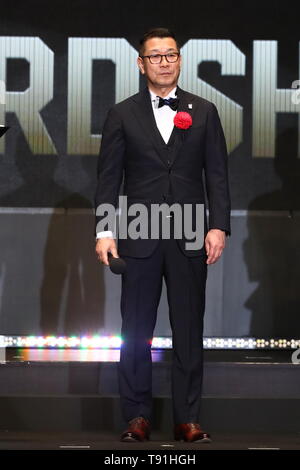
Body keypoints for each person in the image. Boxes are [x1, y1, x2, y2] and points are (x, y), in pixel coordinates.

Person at [95, 27, 231, 443]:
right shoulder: (122, 113)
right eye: (155, 56)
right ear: (141, 63)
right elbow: (108, 178)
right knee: (135, 328)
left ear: (180, 60)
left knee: (189, 328)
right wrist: (104, 230)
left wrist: (218, 225)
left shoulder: (204, 111)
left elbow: (218, 176)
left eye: (170, 55)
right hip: (139, 233)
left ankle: (187, 417)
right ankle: (136, 415)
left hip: (191, 231)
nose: (164, 62)